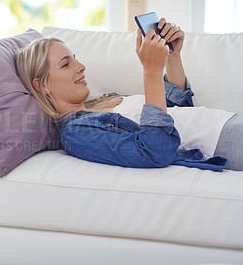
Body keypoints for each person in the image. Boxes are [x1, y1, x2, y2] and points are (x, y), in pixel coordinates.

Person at [16, 18, 242, 172]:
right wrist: (151, 72)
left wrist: (172, 55)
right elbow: (156, 149)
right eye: (66, 64)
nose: (81, 66)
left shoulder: (103, 102)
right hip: (222, 140)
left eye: (75, 58)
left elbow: (173, 110)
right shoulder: (77, 133)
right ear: (42, 85)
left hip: (228, 121)